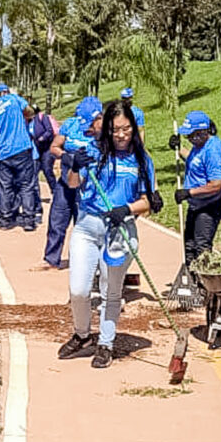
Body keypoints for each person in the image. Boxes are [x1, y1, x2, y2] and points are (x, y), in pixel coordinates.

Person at [58, 101, 157, 368]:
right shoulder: (92, 151)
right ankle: (82, 335)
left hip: (120, 231)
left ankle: (106, 343)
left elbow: (149, 202)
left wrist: (126, 208)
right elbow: (72, 184)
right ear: (107, 130)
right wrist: (75, 167)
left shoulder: (141, 160)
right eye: (115, 130)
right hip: (88, 226)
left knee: (111, 292)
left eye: (126, 129)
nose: (121, 135)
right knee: (78, 290)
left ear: (133, 129)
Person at [43, 97, 103, 269]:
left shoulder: (104, 135)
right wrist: (65, 156)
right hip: (65, 182)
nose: (87, 128)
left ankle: (82, 262)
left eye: (90, 123)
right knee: (57, 219)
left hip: (88, 187)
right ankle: (51, 259)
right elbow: (54, 147)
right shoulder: (71, 125)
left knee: (83, 224)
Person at [169, 110, 221, 268]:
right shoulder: (198, 146)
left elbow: (216, 185)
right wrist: (179, 148)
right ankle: (191, 279)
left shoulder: (212, 150)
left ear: (202, 132)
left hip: (210, 204)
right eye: (187, 136)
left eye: (191, 135)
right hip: (196, 204)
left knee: (201, 246)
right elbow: (194, 161)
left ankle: (206, 284)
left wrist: (189, 192)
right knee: (189, 245)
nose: (189, 138)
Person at [0, 86, 38, 231]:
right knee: (26, 186)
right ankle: (29, 220)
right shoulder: (13, 99)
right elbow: (30, 112)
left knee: (5, 188)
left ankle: (5, 220)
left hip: (2, 154)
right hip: (22, 149)